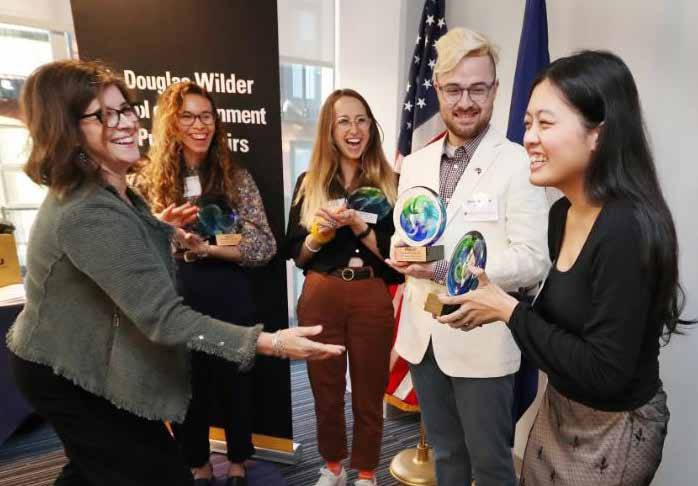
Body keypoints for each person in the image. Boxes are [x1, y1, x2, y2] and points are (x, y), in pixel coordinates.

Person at [6, 59, 343, 486]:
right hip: (62, 367)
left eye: (125, 109)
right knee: (152, 470)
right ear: (67, 129)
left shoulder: (113, 188)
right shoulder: (86, 210)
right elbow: (162, 318)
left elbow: (132, 239)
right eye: (102, 115)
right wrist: (273, 342)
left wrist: (166, 230)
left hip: (91, 354)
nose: (125, 123)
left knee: (94, 468)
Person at [438, 50, 694, 485]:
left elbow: (604, 373)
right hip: (559, 411)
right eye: (527, 124)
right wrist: (495, 304)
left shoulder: (625, 228)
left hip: (611, 431)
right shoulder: (562, 214)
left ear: (598, 134)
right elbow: (565, 323)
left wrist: (509, 311)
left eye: (546, 123)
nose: (530, 139)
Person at [385, 28, 549, 486]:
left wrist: (443, 268)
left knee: (492, 467)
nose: (465, 101)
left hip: (482, 339)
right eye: (454, 88)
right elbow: (417, 233)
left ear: (495, 90)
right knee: (447, 459)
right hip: (424, 336)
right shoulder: (415, 162)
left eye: (478, 88)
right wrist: (407, 253)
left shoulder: (518, 162)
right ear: (436, 89)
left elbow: (533, 259)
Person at [134, 81, 275, 486]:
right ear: (171, 123)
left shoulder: (237, 177)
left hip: (229, 294)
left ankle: (237, 461)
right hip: (176, 296)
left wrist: (207, 249)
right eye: (188, 116)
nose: (199, 125)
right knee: (186, 387)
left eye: (206, 115)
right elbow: (135, 248)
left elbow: (263, 244)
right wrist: (173, 242)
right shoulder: (146, 181)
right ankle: (196, 462)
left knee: (235, 385)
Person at [285, 89, 402, 486]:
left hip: (372, 295)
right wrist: (318, 235)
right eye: (344, 121)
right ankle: (332, 466)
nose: (354, 129)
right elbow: (296, 254)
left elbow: (396, 257)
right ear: (329, 131)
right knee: (326, 390)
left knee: (370, 392)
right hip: (322, 294)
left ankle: (366, 472)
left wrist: (359, 226)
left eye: (362, 120)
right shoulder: (310, 182)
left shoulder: (390, 183)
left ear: (372, 126)